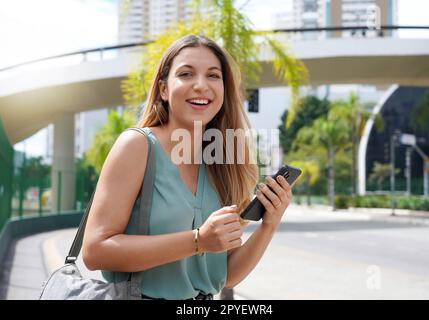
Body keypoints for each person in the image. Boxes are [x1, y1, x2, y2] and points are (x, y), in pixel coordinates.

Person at [82, 34, 293, 300]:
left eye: (213, 76)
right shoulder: (137, 146)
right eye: (186, 74)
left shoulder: (223, 161)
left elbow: (223, 275)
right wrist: (197, 241)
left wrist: (269, 225)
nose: (201, 85)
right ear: (164, 89)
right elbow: (95, 251)